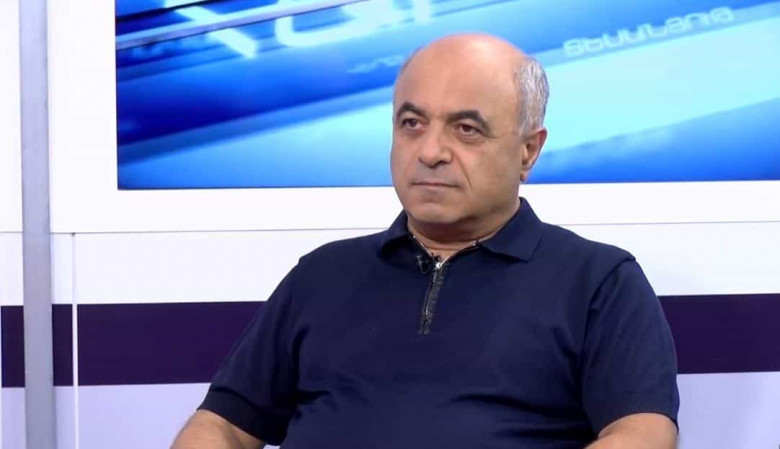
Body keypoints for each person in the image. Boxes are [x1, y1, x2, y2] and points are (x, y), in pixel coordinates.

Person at [172, 33, 679, 449]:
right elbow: (221, 425)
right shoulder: (321, 274)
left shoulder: (597, 281)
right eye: (412, 124)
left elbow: (643, 434)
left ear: (528, 151)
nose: (430, 151)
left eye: (466, 129)